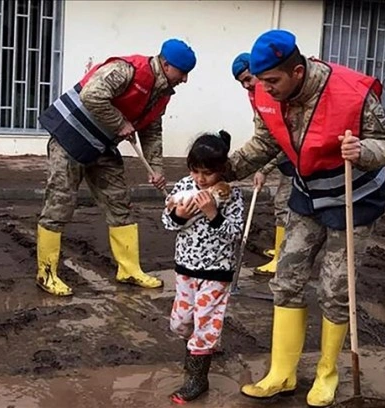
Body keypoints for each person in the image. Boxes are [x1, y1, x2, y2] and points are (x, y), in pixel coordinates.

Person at [227, 30, 385, 407]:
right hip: (307, 196)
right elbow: (265, 143)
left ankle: (327, 373)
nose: (266, 90)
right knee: (286, 279)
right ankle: (281, 373)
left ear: (298, 72)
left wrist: (364, 148)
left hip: (355, 199)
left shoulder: (353, 93)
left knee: (335, 289)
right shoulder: (265, 93)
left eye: (273, 81)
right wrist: (223, 170)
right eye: (261, 82)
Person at [35, 38, 196, 296]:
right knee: (60, 202)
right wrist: (120, 123)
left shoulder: (162, 94)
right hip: (70, 138)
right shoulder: (125, 70)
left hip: (101, 145)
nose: (185, 80)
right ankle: (46, 272)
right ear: (166, 65)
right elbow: (92, 95)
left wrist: (155, 169)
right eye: (183, 73)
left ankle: (129, 269)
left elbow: (152, 130)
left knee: (119, 202)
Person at [162, 130, 244, 404]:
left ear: (221, 170)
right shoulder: (184, 187)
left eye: (207, 173)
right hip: (185, 268)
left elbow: (235, 234)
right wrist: (178, 214)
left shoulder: (231, 195)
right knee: (180, 322)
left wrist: (212, 214)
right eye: (195, 171)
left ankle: (198, 378)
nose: (200, 179)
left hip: (216, 272)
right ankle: (198, 351)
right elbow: (167, 222)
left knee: (205, 323)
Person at [231, 52, 291, 275]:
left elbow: (281, 140)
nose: (246, 85)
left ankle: (282, 256)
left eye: (248, 78)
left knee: (284, 203)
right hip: (287, 157)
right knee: (283, 203)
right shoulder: (257, 95)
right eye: (241, 82)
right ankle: (281, 249)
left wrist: (264, 168)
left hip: (299, 157)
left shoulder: (279, 93)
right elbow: (265, 135)